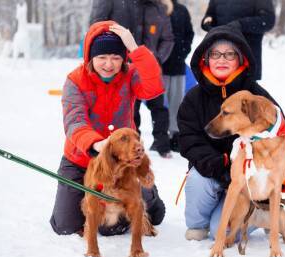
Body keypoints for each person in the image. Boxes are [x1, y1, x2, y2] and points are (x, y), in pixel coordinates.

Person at [177, 24, 285, 241]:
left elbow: (283, 136)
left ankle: (261, 212)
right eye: (215, 54)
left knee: (220, 233)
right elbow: (188, 140)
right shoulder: (194, 98)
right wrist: (220, 163)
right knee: (197, 178)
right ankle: (197, 224)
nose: (221, 59)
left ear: (241, 60)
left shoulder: (256, 97)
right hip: (212, 172)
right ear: (206, 59)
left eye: (230, 54)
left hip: (247, 182)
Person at [50, 21, 166, 236]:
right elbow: (75, 122)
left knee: (112, 226)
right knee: (65, 226)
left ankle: (148, 195)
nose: (109, 64)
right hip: (81, 160)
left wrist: (136, 49)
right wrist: (96, 143)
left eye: (116, 57)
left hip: (122, 161)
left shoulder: (130, 74)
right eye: (102, 57)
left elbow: (153, 88)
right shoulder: (75, 81)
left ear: (124, 58)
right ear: (90, 57)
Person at [90, 0, 175, 158]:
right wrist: (114, 55)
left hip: (150, 68)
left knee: (159, 107)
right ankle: (131, 148)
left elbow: (168, 39)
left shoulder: (158, 8)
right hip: (121, 68)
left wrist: (153, 59)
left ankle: (162, 145)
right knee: (130, 111)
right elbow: (96, 27)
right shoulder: (113, 3)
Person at [201, 0, 275, 80]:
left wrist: (241, 24)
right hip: (218, 62)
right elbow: (210, 14)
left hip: (246, 61)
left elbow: (267, 20)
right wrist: (207, 21)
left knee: (244, 92)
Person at [162, 0, 194, 152]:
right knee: (160, 103)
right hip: (159, 65)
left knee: (177, 102)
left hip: (178, 63)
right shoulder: (156, 8)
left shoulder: (182, 10)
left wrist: (184, 51)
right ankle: (161, 135)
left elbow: (190, 33)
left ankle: (175, 135)